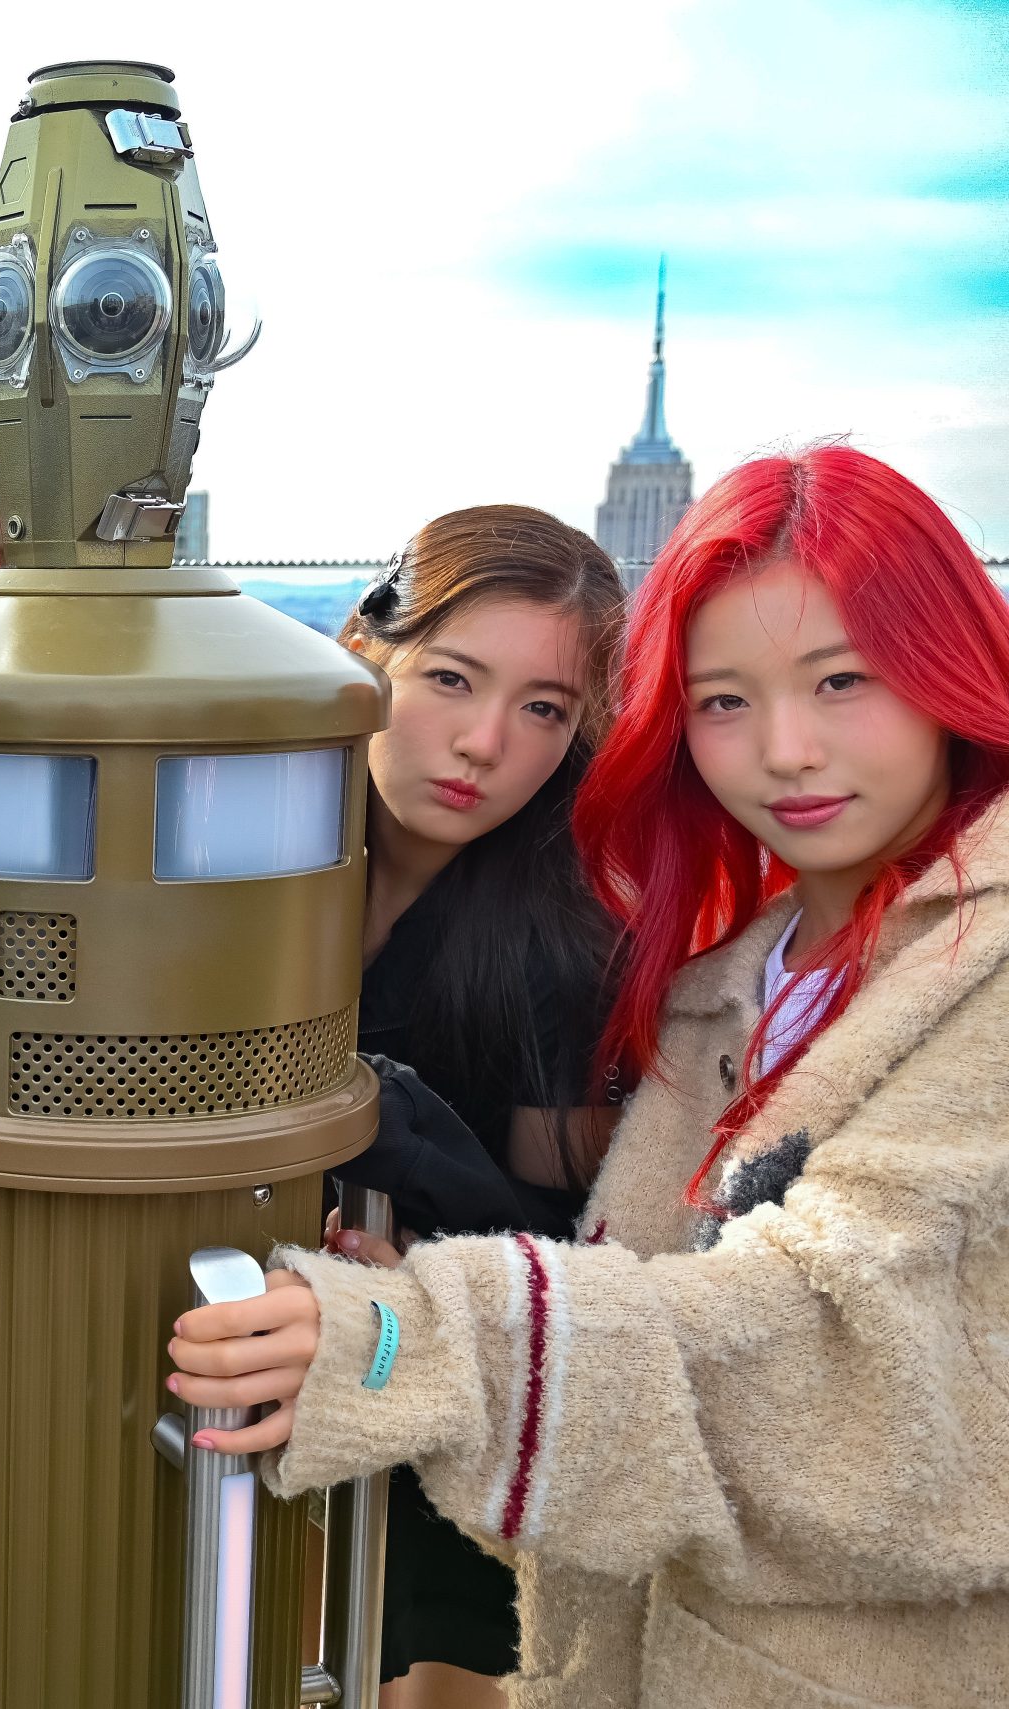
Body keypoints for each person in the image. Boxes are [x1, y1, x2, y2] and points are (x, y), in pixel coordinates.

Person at [171, 445, 1009, 1706]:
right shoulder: (727, 978)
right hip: (540, 1537)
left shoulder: (571, 941)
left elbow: (797, 1338)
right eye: (724, 700)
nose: (786, 749)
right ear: (366, 657)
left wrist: (410, 1311)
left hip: (477, 1474)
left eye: (842, 678)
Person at [316, 506, 627, 1708]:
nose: (484, 741)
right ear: (371, 655)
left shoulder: (559, 947)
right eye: (450, 678)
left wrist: (419, 1178)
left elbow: (567, 1247)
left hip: (442, 1431)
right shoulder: (243, 848)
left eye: (544, 707)